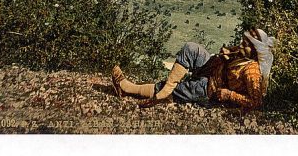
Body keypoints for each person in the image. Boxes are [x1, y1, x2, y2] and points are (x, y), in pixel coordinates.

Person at [111, 28, 275, 110]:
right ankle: (169, 89)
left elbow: (256, 101)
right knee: (191, 48)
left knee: (182, 88)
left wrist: (229, 94)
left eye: (246, 45)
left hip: (209, 89)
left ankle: (128, 89)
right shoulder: (243, 55)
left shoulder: (252, 70)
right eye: (242, 42)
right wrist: (225, 54)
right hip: (212, 68)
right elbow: (230, 58)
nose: (241, 46)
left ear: (256, 50)